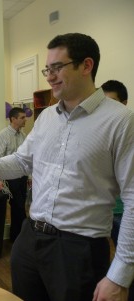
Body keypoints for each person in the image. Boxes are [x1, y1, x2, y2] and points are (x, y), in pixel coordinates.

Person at [0, 33, 134, 301]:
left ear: (86, 66)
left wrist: (120, 275)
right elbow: (20, 161)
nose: (49, 76)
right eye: (47, 69)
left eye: (57, 67)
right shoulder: (47, 117)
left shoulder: (120, 121)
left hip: (78, 249)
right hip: (30, 238)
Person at [101, 80, 134, 301]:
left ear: (124, 103)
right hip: (106, 210)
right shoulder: (103, 132)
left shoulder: (129, 130)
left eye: (112, 103)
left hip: (125, 212)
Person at [0, 107, 28, 242]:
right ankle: (23, 235)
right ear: (13, 119)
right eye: (22, 117)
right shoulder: (3, 135)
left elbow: (27, 158)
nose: (25, 120)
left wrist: (29, 176)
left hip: (22, 176)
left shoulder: (23, 135)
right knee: (18, 206)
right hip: (10, 176)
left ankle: (16, 237)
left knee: (19, 206)